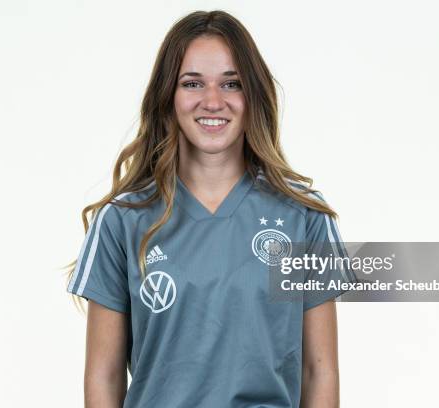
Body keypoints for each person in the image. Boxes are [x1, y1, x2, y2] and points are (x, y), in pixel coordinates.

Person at [66, 9, 356, 408]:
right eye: (193, 83)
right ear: (168, 95)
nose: (213, 101)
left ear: (252, 94)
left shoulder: (303, 217)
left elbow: (319, 371)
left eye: (231, 83)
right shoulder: (122, 220)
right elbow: (105, 375)